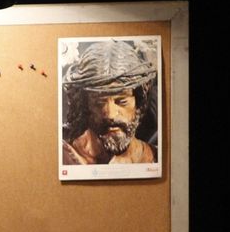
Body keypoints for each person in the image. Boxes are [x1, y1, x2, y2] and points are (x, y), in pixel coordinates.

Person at [60, 39, 159, 167]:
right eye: (99, 103)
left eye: (121, 101)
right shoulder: (64, 156)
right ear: (85, 105)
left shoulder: (155, 158)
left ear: (138, 103)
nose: (110, 114)